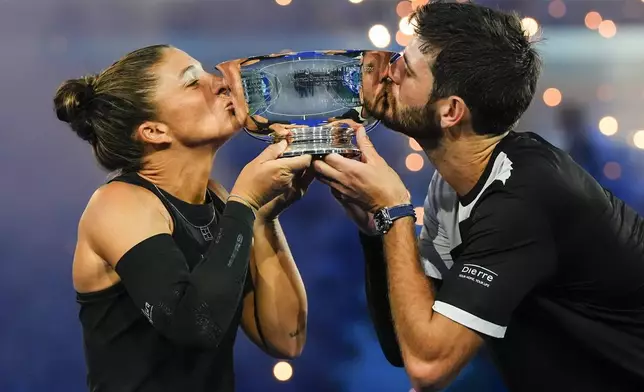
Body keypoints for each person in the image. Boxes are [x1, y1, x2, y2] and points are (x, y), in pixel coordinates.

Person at [313, 2, 644, 391]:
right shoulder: (453, 187)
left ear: (451, 111)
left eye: (406, 69)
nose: (389, 74)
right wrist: (376, 226)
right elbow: (406, 347)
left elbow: (428, 367)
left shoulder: (524, 197)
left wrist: (395, 210)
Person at [54, 44, 312, 392]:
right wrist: (246, 203)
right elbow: (196, 325)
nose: (219, 83)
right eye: (192, 81)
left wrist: (263, 218)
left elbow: (287, 339)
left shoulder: (220, 200)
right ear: (154, 131)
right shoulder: (118, 205)